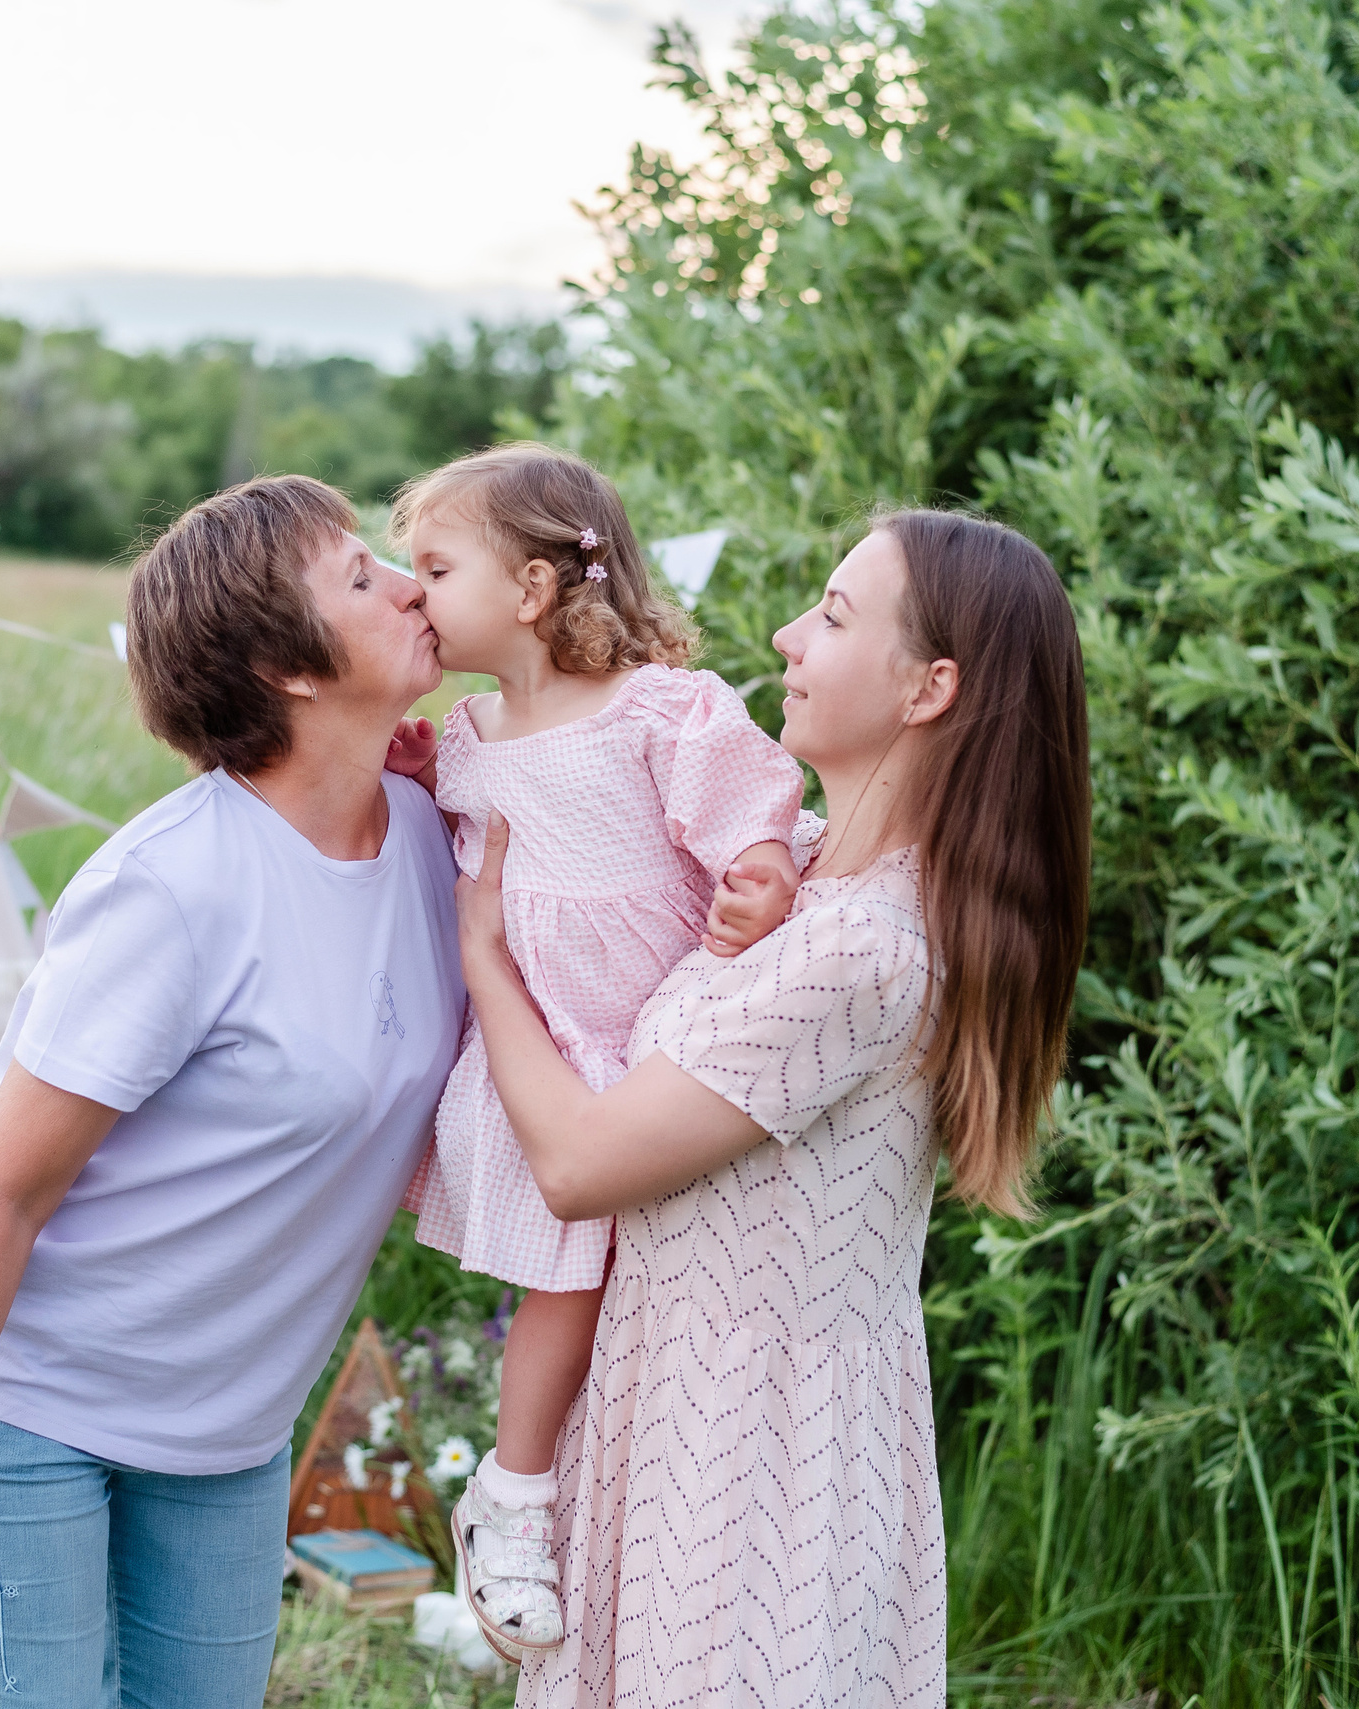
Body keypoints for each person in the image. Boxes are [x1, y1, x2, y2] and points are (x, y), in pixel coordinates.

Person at [457, 510, 1092, 1704]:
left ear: (929, 687)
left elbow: (581, 1164)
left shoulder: (862, 947)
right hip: (670, 1410)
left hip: (751, 1468)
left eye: (836, 615)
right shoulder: (794, 872)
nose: (787, 635)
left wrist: (484, 958)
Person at [0, 475, 466, 1708]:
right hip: (32, 1397)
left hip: (227, 1426)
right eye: (361, 575)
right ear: (286, 667)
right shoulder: (174, 888)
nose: (413, 582)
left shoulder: (433, 835)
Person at [384, 444, 806, 1663]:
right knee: (567, 1280)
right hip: (550, 1053)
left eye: (433, 566)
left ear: (528, 588)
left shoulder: (657, 708)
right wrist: (412, 769)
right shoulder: (463, 735)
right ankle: (511, 1499)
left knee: (658, 1301)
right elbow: (433, 811)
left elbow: (745, 804)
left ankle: (617, 1510)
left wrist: (757, 873)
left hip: (662, 1042)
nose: (413, 590)